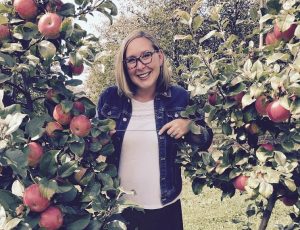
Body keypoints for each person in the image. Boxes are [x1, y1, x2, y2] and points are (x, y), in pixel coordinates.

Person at [97, 30, 213, 230]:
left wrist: (189, 126)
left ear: (160, 57)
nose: (140, 66)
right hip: (120, 210)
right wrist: (100, 139)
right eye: (131, 60)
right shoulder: (110, 98)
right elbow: (92, 146)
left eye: (146, 55)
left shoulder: (180, 97)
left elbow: (206, 138)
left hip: (165, 209)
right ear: (124, 66)